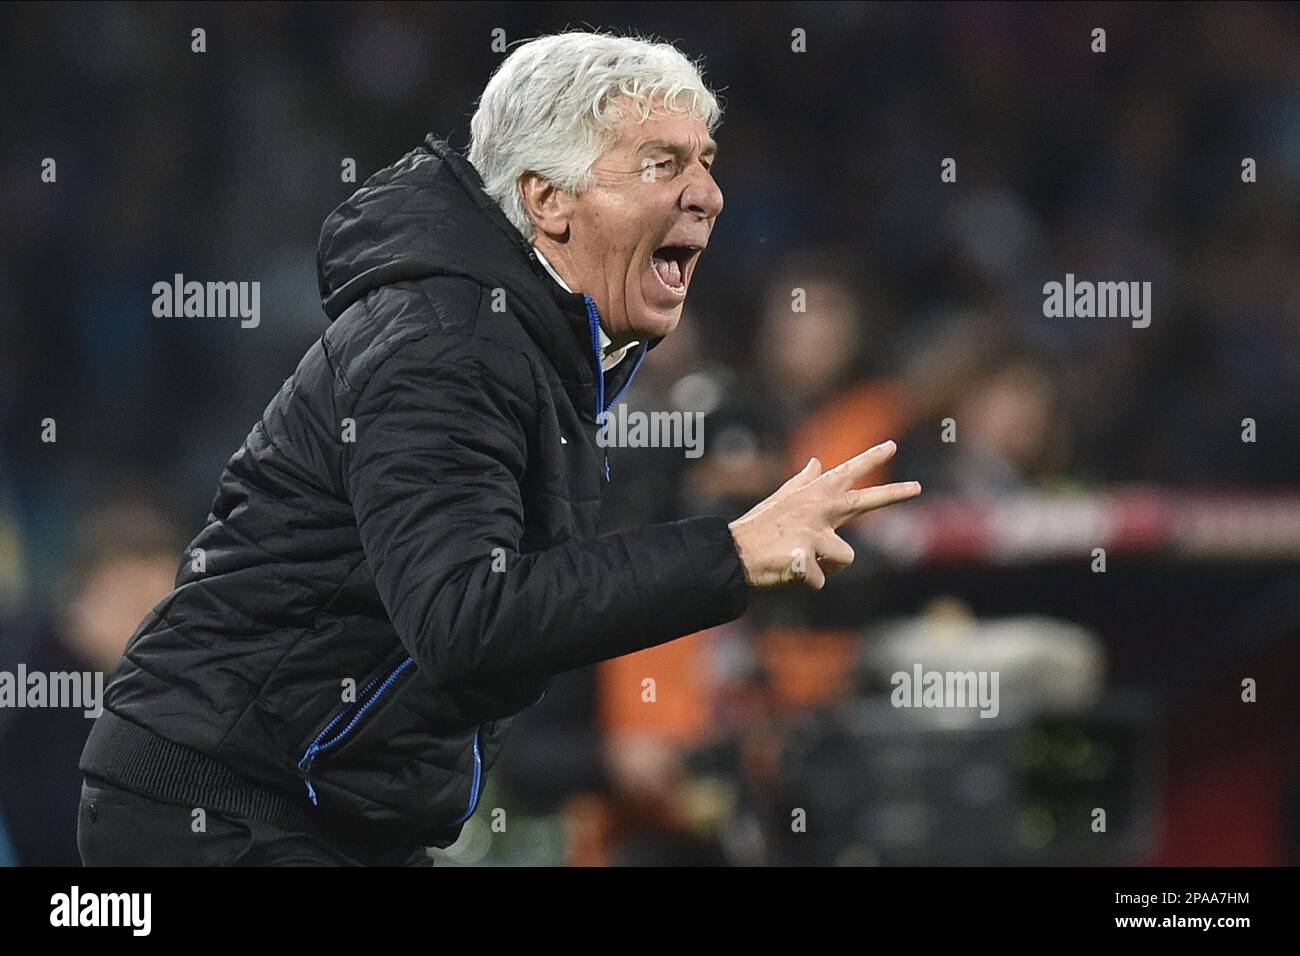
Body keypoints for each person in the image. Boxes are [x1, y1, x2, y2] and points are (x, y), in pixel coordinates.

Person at [77, 30, 921, 867]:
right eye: (662, 164)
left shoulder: (525, 344)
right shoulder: (445, 343)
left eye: (704, 161)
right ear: (547, 198)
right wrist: (730, 552)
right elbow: (466, 615)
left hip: (318, 813)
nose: (709, 193)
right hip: (214, 812)